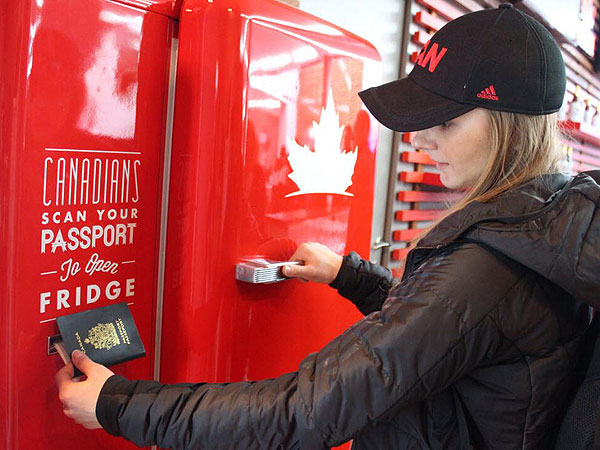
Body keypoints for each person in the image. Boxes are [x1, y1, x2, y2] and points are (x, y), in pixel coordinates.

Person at [56, 3, 600, 449]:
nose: (420, 139)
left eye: (447, 121)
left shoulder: (489, 265)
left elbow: (310, 409)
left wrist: (119, 405)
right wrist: (352, 276)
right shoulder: (544, 221)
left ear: (511, 127)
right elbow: (454, 334)